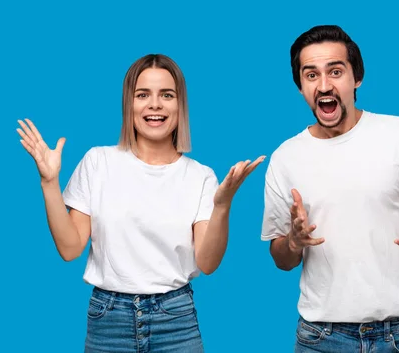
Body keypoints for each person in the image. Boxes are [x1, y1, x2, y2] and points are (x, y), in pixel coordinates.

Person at [18, 53, 264, 352]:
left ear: (179, 106)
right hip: (108, 320)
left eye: (167, 95)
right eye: (143, 94)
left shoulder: (200, 176)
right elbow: (70, 249)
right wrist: (49, 183)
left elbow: (207, 263)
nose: (155, 104)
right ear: (129, 104)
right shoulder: (98, 162)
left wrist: (223, 206)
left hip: (175, 321)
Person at [261, 25, 399, 353]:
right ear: (300, 86)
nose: (324, 85)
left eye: (336, 71)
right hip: (321, 337)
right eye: (311, 75)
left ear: (356, 78)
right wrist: (293, 241)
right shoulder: (285, 158)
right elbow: (282, 259)